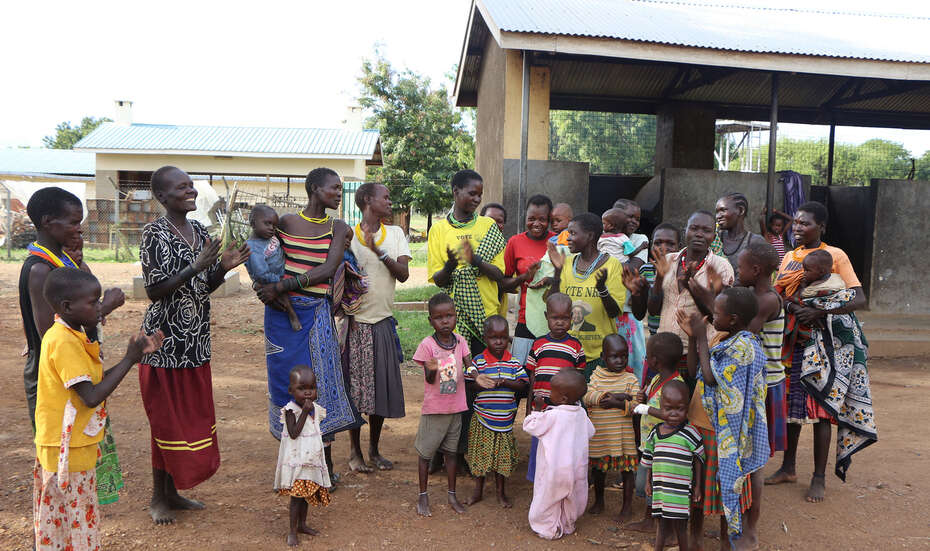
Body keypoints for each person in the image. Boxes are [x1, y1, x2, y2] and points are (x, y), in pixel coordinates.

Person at [140, 166, 251, 525]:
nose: (189, 190)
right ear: (162, 196)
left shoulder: (200, 230)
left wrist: (221, 269)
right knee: (165, 421)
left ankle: (173, 493)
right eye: (181, 187)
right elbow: (155, 291)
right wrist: (197, 265)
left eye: (191, 185)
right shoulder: (153, 234)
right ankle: (160, 497)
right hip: (164, 344)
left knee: (188, 420)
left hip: (195, 343)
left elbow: (201, 287)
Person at [33, 267, 163, 551]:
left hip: (67, 447)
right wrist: (129, 359)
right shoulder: (63, 341)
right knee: (75, 526)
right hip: (68, 451)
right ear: (67, 306)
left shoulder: (71, 333)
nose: (99, 306)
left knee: (62, 525)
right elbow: (90, 396)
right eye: (93, 302)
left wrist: (135, 356)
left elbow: (93, 383)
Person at [256, 168, 363, 485]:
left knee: (320, 385)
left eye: (340, 188)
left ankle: (324, 468)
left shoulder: (338, 227)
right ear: (314, 189)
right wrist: (265, 285)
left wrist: (285, 284)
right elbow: (267, 257)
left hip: (315, 313)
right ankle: (291, 466)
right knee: (285, 382)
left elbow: (329, 269)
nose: (338, 193)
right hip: (281, 315)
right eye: (333, 187)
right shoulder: (286, 222)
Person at [766, 201, 868, 504]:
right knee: (793, 410)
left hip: (826, 346)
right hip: (794, 342)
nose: (797, 228)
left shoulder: (835, 255)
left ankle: (819, 477)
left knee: (822, 411)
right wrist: (792, 307)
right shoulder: (789, 256)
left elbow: (857, 297)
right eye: (795, 223)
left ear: (821, 227)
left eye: (805, 223)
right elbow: (780, 293)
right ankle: (788, 467)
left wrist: (821, 313)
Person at [19, 187, 126, 431]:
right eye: (73, 222)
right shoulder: (41, 270)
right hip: (54, 378)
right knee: (61, 452)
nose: (79, 228)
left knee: (84, 446)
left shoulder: (63, 261)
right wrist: (103, 308)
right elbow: (53, 336)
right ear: (48, 222)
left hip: (76, 370)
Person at [679, 288, 769, 549]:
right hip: (700, 424)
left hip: (721, 433)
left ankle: (726, 542)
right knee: (698, 491)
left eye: (716, 313)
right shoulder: (724, 337)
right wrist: (695, 340)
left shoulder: (744, 347)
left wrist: (702, 340)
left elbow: (711, 378)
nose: (712, 316)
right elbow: (697, 371)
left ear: (733, 318)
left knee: (724, 491)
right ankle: (695, 539)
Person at [345, 183, 410, 473]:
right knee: (354, 391)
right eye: (386, 196)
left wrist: (378, 251)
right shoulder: (348, 235)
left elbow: (404, 274)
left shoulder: (394, 234)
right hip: (355, 322)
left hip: (382, 321)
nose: (390, 201)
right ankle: (355, 451)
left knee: (380, 391)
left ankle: (374, 449)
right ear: (368, 200)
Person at [735, 240, 785, 545]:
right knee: (742, 455)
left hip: (764, 385)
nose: (736, 270)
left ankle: (751, 527)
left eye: (740, 266)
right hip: (748, 382)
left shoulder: (766, 300)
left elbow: (740, 336)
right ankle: (739, 519)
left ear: (755, 270)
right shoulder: (751, 294)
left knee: (754, 461)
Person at [648, 211, 734, 386]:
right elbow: (653, 310)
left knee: (692, 409)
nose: (699, 234)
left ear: (713, 235)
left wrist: (692, 287)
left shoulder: (720, 267)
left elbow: (717, 318)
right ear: (685, 230)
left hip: (697, 354)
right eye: (694, 228)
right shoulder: (669, 260)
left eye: (706, 230)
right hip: (665, 353)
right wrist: (658, 279)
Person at [428, 169, 506, 356]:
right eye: (472, 193)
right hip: (455, 318)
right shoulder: (439, 230)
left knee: (486, 377)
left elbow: (498, 274)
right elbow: (439, 280)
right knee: (456, 375)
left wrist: (475, 261)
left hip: (487, 314)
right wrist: (450, 266)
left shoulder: (488, 226)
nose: (477, 199)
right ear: (456, 191)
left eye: (480, 195)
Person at [412, 293, 471, 516]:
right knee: (425, 455)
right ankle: (423, 496)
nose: (445, 321)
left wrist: (476, 373)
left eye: (449, 316)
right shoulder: (428, 345)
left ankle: (452, 495)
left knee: (451, 453)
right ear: (431, 321)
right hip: (435, 410)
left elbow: (469, 365)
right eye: (439, 318)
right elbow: (428, 379)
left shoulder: (461, 341)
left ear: (455, 317)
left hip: (456, 407)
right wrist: (432, 368)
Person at [548, 213, 626, 380]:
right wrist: (557, 272)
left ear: (590, 236)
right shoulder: (567, 263)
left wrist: (602, 289)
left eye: (573, 233)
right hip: (569, 351)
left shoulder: (612, 265)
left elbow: (614, 312)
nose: (568, 238)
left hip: (601, 354)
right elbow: (553, 303)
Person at [523, 369, 595, 540]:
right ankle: (567, 524)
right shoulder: (581, 413)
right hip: (576, 468)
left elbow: (530, 426)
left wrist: (538, 410)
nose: (549, 393)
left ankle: (547, 528)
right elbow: (590, 431)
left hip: (553, 470)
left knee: (547, 499)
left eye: (552, 390)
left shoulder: (552, 415)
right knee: (571, 498)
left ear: (563, 398)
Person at [464, 315, 528, 508]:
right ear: (485, 337)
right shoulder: (479, 362)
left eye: (502, 337)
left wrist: (506, 382)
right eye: (493, 337)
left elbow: (523, 385)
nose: (499, 342)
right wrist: (482, 383)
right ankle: (478, 491)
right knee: (481, 457)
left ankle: (501, 493)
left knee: (501, 459)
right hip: (483, 418)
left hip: (504, 421)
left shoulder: (514, 362)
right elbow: (469, 385)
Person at [626, 332, 685, 534]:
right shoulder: (658, 379)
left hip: (664, 447)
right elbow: (651, 400)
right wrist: (643, 397)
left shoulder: (675, 386)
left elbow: (674, 416)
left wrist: (647, 409)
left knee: (652, 484)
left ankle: (661, 528)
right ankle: (649, 520)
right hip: (649, 444)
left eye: (647, 355)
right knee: (647, 483)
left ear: (655, 360)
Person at [524, 293, 586, 482]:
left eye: (565, 318)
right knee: (540, 447)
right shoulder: (538, 344)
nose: (560, 322)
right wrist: (529, 407)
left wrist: (578, 406)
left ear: (571, 317)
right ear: (546, 317)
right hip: (542, 410)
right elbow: (532, 376)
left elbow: (579, 378)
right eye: (555, 318)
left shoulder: (575, 346)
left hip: (565, 412)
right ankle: (539, 484)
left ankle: (560, 482)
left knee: (562, 450)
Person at [639, 379, 705, 551]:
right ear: (661, 407)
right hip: (661, 490)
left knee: (681, 528)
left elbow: (698, 460)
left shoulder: (691, 433)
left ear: (687, 407)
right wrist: (648, 482)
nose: (674, 414)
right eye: (668, 409)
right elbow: (649, 459)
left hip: (680, 492)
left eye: (680, 409)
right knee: (661, 527)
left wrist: (698, 486)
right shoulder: (655, 433)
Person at [583, 334, 640, 521]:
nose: (620, 360)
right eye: (614, 356)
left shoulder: (631, 379)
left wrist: (616, 403)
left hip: (623, 437)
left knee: (627, 471)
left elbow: (636, 405)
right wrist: (618, 396)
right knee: (599, 471)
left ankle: (627, 507)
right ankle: (599, 501)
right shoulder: (596, 375)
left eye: (624, 356)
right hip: (601, 436)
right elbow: (587, 397)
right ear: (603, 356)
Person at [274, 366, 331, 547]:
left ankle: (302, 524)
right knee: (296, 498)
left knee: (306, 496)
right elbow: (293, 433)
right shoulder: (291, 410)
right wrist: (305, 412)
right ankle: (292, 531)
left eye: (311, 388)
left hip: (311, 461)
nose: (307, 392)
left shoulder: (316, 408)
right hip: (297, 462)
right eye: (301, 388)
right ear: (291, 391)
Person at [500, 194, 555, 363]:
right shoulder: (515, 243)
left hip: (554, 317)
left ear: (550, 219)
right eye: (531, 219)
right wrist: (525, 277)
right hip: (526, 317)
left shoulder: (557, 242)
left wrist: (550, 280)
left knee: (550, 366)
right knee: (522, 369)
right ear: (525, 217)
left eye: (542, 219)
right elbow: (504, 283)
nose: (536, 224)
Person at [245, 204, 301, 331]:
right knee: (281, 296)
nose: (271, 228)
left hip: (281, 273)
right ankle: (291, 314)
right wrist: (279, 280)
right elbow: (261, 273)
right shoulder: (252, 247)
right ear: (253, 224)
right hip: (269, 279)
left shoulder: (271, 237)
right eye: (267, 224)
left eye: (274, 226)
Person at [637, 224, 680, 338]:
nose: (663, 248)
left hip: (678, 336)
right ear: (651, 245)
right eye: (658, 243)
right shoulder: (646, 270)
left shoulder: (683, 271)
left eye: (670, 244)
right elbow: (645, 311)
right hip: (655, 335)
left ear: (679, 247)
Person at [715, 192, 766, 273]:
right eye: (717, 212)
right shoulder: (715, 239)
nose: (718, 216)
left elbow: (762, 276)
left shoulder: (755, 242)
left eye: (723, 210)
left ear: (741, 210)